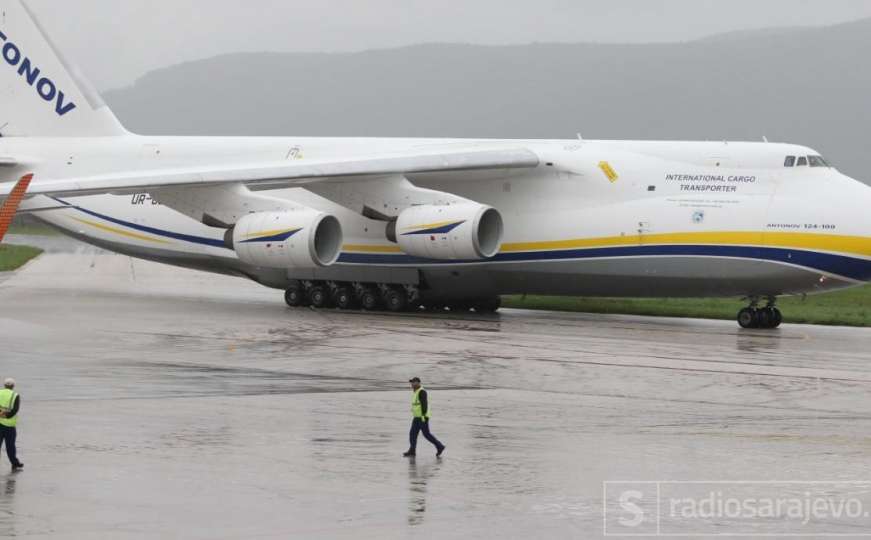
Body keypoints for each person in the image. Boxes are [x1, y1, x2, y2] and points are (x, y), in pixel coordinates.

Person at [403, 377, 446, 458]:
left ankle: (440, 446)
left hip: (422, 417)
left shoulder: (422, 391)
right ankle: (412, 450)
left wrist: (423, 415)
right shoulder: (415, 392)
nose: (412, 384)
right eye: (411, 382)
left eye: (414, 382)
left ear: (419, 383)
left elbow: (424, 405)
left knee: (426, 434)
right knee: (412, 434)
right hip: (416, 417)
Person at [0, 378, 23, 472]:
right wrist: (7, 416)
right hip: (9, 426)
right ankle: (15, 463)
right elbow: (15, 410)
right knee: (10, 446)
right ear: (13, 386)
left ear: (4, 385)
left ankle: (15, 463)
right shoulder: (15, 395)